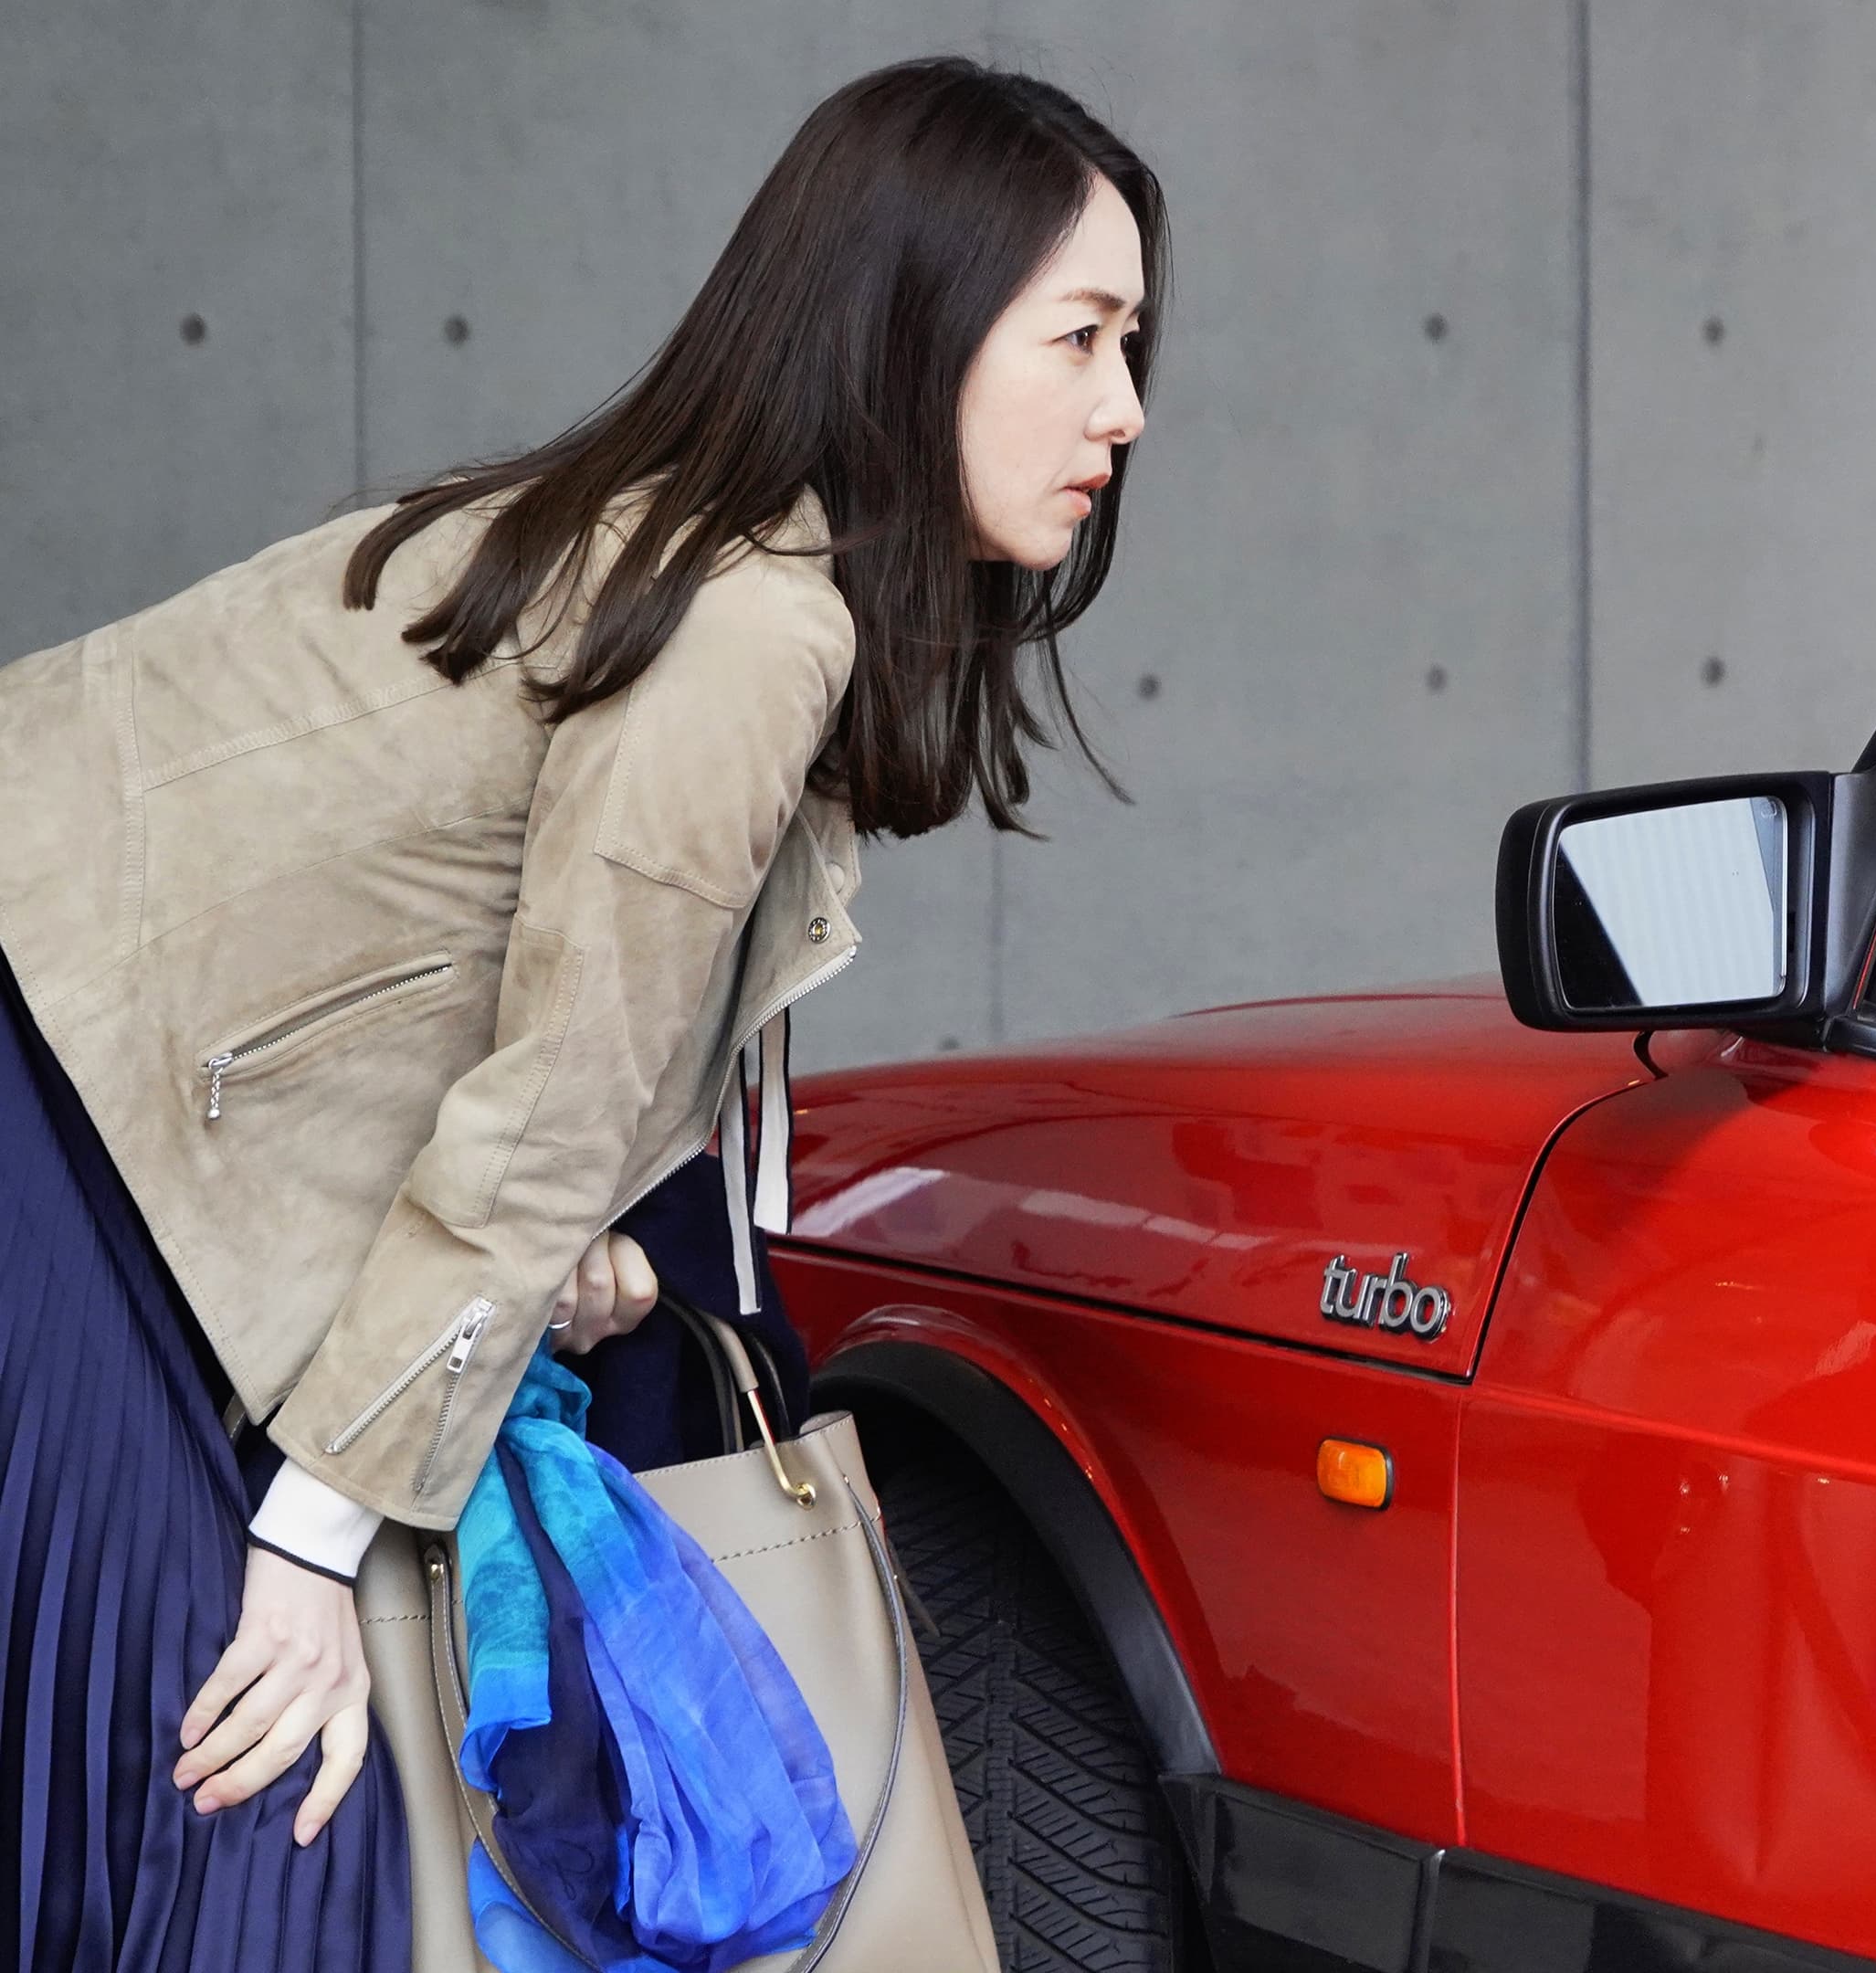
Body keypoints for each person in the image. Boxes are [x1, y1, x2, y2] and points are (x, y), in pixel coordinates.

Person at [0, 58, 1160, 1964]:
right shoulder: (750, 619)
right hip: (57, 1114)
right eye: (1084, 336)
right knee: (231, 1809)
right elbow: (546, 1099)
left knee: (202, 1818)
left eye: (1134, 344)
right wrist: (314, 1535)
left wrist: (573, 1256)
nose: (1126, 406)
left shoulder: (670, 545)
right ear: (921, 323)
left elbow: (463, 996)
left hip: (90, 1112)